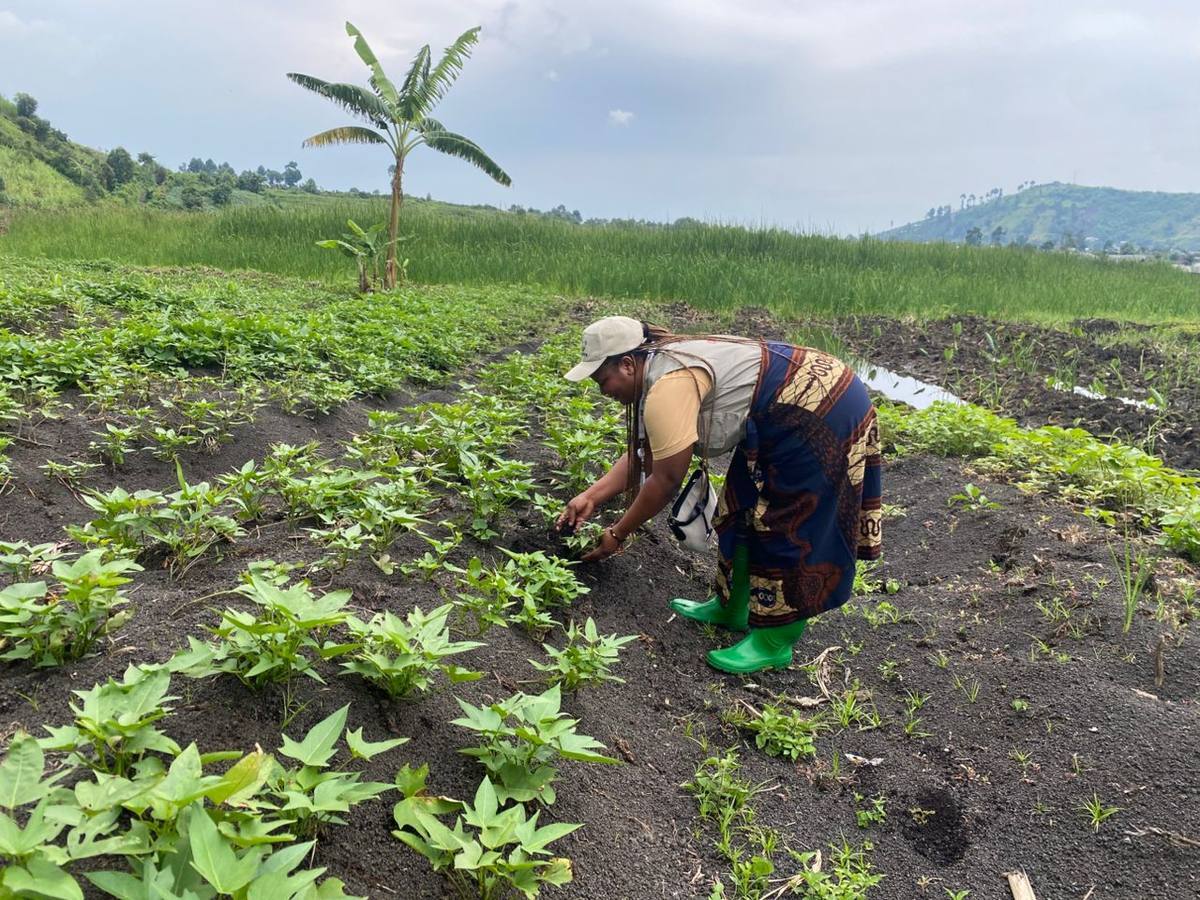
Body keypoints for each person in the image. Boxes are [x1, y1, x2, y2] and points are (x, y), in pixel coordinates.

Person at [556, 315, 882, 675]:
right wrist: (591, 496)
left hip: (821, 408)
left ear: (628, 363)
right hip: (779, 412)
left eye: (603, 380)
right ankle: (732, 607)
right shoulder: (656, 370)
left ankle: (774, 642)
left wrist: (617, 534)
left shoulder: (669, 385)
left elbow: (665, 480)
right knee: (739, 505)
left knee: (791, 522)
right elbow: (642, 453)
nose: (604, 391)